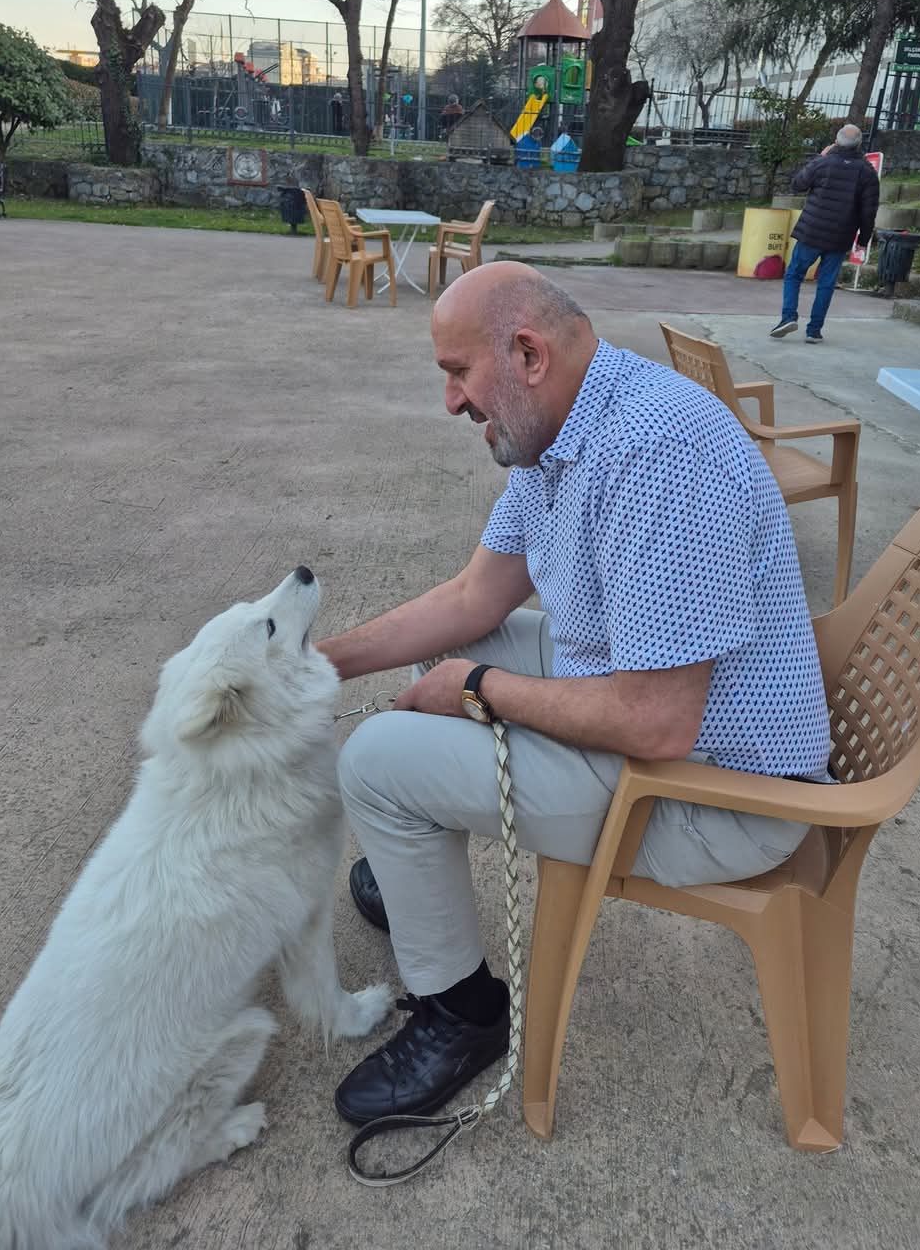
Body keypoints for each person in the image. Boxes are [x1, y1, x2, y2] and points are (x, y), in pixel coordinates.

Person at [316, 262, 834, 1127]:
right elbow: (471, 600)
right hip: (660, 717)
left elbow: (658, 722)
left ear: (526, 353)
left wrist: (480, 688)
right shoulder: (562, 422)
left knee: (373, 764)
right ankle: (418, 879)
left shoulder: (657, 453)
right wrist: (315, 664)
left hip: (712, 794)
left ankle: (462, 1015)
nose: (451, 402)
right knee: (453, 650)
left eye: (456, 372)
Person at [770, 123, 879, 344]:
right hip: (840, 236)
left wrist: (819, 157)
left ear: (837, 141)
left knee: (794, 275)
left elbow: (797, 184)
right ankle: (814, 331)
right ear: (859, 144)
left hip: (812, 231)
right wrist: (864, 240)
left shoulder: (823, 162)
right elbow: (869, 211)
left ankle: (788, 317)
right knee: (826, 283)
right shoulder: (867, 171)